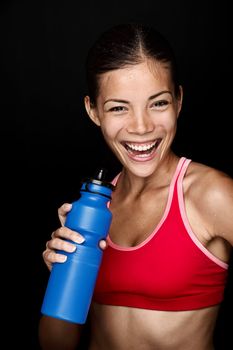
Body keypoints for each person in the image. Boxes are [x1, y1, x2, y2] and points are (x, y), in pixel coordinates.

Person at [38, 22, 233, 350]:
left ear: (179, 101)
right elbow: (55, 343)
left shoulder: (212, 194)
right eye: (118, 108)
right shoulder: (95, 210)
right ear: (93, 111)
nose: (141, 127)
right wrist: (63, 277)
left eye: (158, 103)